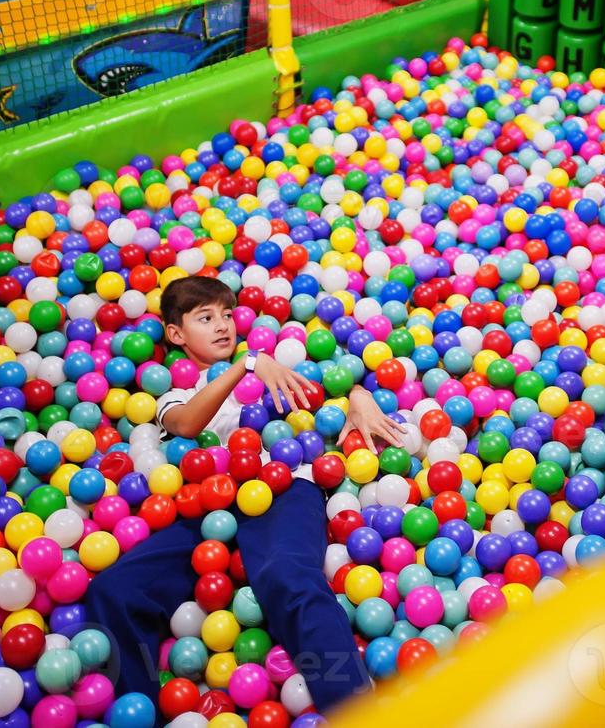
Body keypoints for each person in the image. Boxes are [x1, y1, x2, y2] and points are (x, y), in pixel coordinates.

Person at [84, 275, 403, 712]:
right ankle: (135, 713)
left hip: (282, 486)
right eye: (206, 317)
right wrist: (247, 365)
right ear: (176, 334)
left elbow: (332, 385)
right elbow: (186, 425)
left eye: (228, 315)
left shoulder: (274, 368)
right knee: (113, 590)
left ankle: (355, 711)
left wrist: (360, 396)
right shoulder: (174, 393)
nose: (222, 326)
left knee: (288, 575)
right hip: (206, 503)